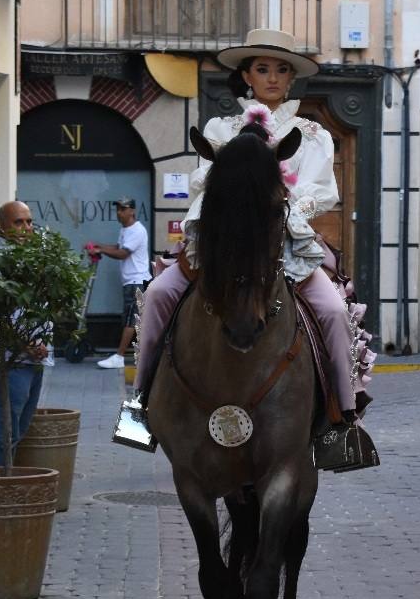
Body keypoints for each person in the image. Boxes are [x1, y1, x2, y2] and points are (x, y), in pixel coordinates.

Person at [132, 28, 374, 454]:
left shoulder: (313, 134)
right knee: (157, 295)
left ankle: (343, 416)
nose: (273, 78)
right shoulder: (220, 129)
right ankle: (141, 404)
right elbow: (200, 180)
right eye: (263, 69)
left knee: (334, 312)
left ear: (292, 78)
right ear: (246, 75)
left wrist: (279, 211)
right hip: (222, 241)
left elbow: (325, 192)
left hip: (284, 242)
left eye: (282, 70)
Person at [0, 201, 48, 467]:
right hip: (14, 359)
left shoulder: (30, 255)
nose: (26, 228)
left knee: (17, 430)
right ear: (1, 226)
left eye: (29, 222)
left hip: (35, 358)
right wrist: (26, 343)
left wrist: (42, 343)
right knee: (4, 434)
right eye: (18, 222)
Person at [91, 198, 152, 369]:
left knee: (131, 320)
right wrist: (99, 246)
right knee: (134, 319)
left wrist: (101, 250)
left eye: (123, 209)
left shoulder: (137, 230)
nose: (119, 212)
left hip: (136, 281)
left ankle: (119, 356)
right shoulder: (125, 230)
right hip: (130, 281)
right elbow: (117, 246)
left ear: (132, 211)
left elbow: (123, 253)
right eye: (117, 209)